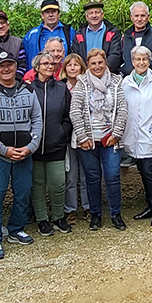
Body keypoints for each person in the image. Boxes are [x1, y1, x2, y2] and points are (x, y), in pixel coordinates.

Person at [0, 50, 42, 260]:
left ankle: (16, 229)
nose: (6, 69)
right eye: (2, 66)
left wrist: (31, 147)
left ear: (15, 67)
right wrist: (3, 149)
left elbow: (37, 120)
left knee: (23, 193)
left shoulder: (28, 91)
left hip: (24, 154)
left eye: (10, 65)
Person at [70, 49, 128, 231]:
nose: (97, 66)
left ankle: (115, 214)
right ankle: (95, 215)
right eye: (93, 63)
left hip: (110, 139)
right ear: (88, 65)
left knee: (112, 176)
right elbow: (75, 111)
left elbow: (123, 110)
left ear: (105, 63)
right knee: (92, 178)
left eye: (100, 63)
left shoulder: (117, 82)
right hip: (87, 140)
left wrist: (116, 134)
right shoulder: (81, 83)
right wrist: (83, 137)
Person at [28, 51, 73, 237]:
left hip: (56, 145)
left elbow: (68, 116)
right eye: (45, 63)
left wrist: (62, 133)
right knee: (37, 185)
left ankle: (58, 216)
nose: (49, 66)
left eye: (52, 63)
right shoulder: (28, 89)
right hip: (35, 147)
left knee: (58, 184)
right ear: (36, 67)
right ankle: (42, 219)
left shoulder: (61, 89)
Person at [121, 46, 152, 226]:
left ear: (150, 61)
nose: (141, 63)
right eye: (138, 60)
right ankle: (150, 205)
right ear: (132, 62)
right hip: (132, 135)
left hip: (150, 135)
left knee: (149, 171)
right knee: (142, 171)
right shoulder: (125, 83)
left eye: (145, 59)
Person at [60, 54, 90, 225]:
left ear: (82, 68)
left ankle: (88, 207)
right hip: (67, 136)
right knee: (70, 175)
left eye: (76, 65)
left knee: (86, 174)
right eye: (69, 65)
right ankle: (70, 209)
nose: (72, 68)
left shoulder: (87, 86)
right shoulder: (60, 87)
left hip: (85, 135)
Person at [71, 1, 123, 74]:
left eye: (97, 12)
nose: (94, 15)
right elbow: (76, 56)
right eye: (91, 13)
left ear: (102, 14)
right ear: (86, 17)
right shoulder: (79, 34)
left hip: (108, 74)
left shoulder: (113, 32)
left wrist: (102, 70)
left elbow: (115, 54)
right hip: (85, 75)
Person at [23, 0, 75, 66]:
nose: (50, 15)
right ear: (42, 15)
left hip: (63, 74)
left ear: (59, 14)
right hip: (39, 75)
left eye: (53, 11)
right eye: (47, 12)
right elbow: (26, 59)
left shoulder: (69, 31)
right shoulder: (32, 34)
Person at [0, 10, 27, 79]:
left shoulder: (18, 42)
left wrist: (16, 80)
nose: (0, 26)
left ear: (8, 25)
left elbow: (22, 65)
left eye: (3, 23)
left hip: (15, 83)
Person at [121, 2, 152, 76]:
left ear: (148, 17)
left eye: (142, 16)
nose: (139, 19)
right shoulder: (126, 36)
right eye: (136, 16)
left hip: (151, 80)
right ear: (131, 17)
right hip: (129, 80)